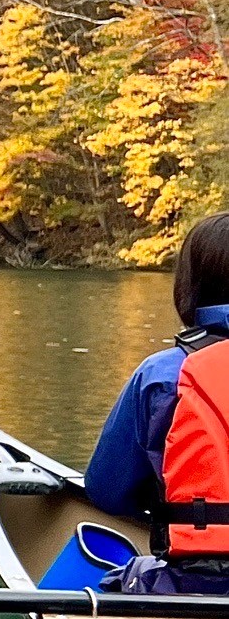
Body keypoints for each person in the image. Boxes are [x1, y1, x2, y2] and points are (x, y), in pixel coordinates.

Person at [87, 213, 229, 592]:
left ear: (191, 287)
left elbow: (106, 492)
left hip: (197, 583)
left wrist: (176, 507)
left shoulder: (163, 375)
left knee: (114, 583)